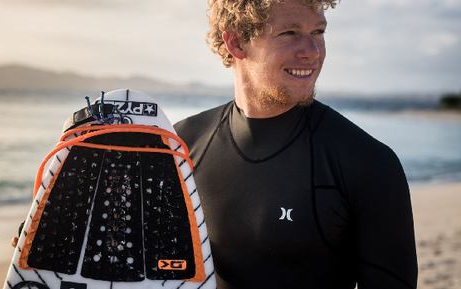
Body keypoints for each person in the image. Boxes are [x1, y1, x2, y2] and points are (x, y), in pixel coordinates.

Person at [173, 0, 418, 288]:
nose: (312, 52)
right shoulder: (183, 146)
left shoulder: (368, 163)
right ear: (237, 42)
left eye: (318, 32)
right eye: (290, 33)